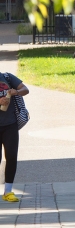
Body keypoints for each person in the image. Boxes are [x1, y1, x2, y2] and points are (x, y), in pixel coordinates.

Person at [0, 72, 29, 202]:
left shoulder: (7, 77)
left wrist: (15, 92)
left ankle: (8, 191)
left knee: (11, 156)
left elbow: (25, 89)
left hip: (10, 124)